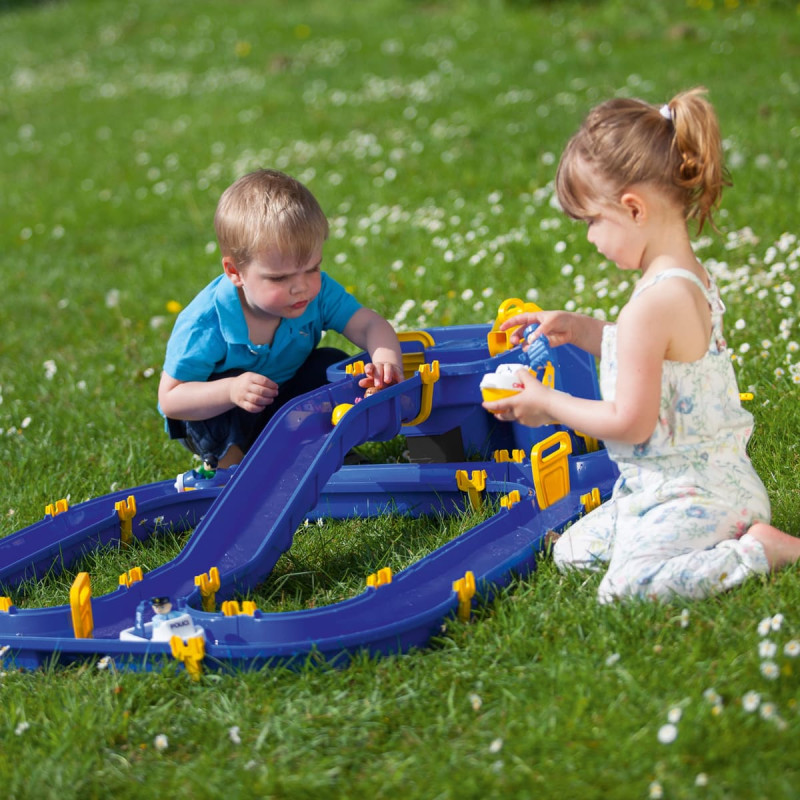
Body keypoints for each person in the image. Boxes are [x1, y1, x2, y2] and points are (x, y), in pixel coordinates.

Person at [483, 88, 800, 602]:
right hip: (696, 481)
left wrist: (547, 403)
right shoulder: (688, 278)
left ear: (633, 209)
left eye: (592, 222)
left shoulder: (648, 308)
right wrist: (580, 328)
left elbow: (630, 422)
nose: (590, 238)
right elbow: (652, 355)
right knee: (572, 553)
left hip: (695, 496)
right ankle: (702, 532)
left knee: (624, 587)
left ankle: (759, 550)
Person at [159, 169, 404, 468]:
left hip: (284, 400)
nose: (301, 287)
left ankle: (327, 448)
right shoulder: (207, 323)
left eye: (312, 269)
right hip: (226, 412)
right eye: (279, 278)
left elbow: (369, 325)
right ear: (235, 272)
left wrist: (387, 363)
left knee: (330, 364)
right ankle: (233, 470)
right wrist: (231, 391)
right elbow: (171, 399)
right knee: (213, 401)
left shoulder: (318, 295)